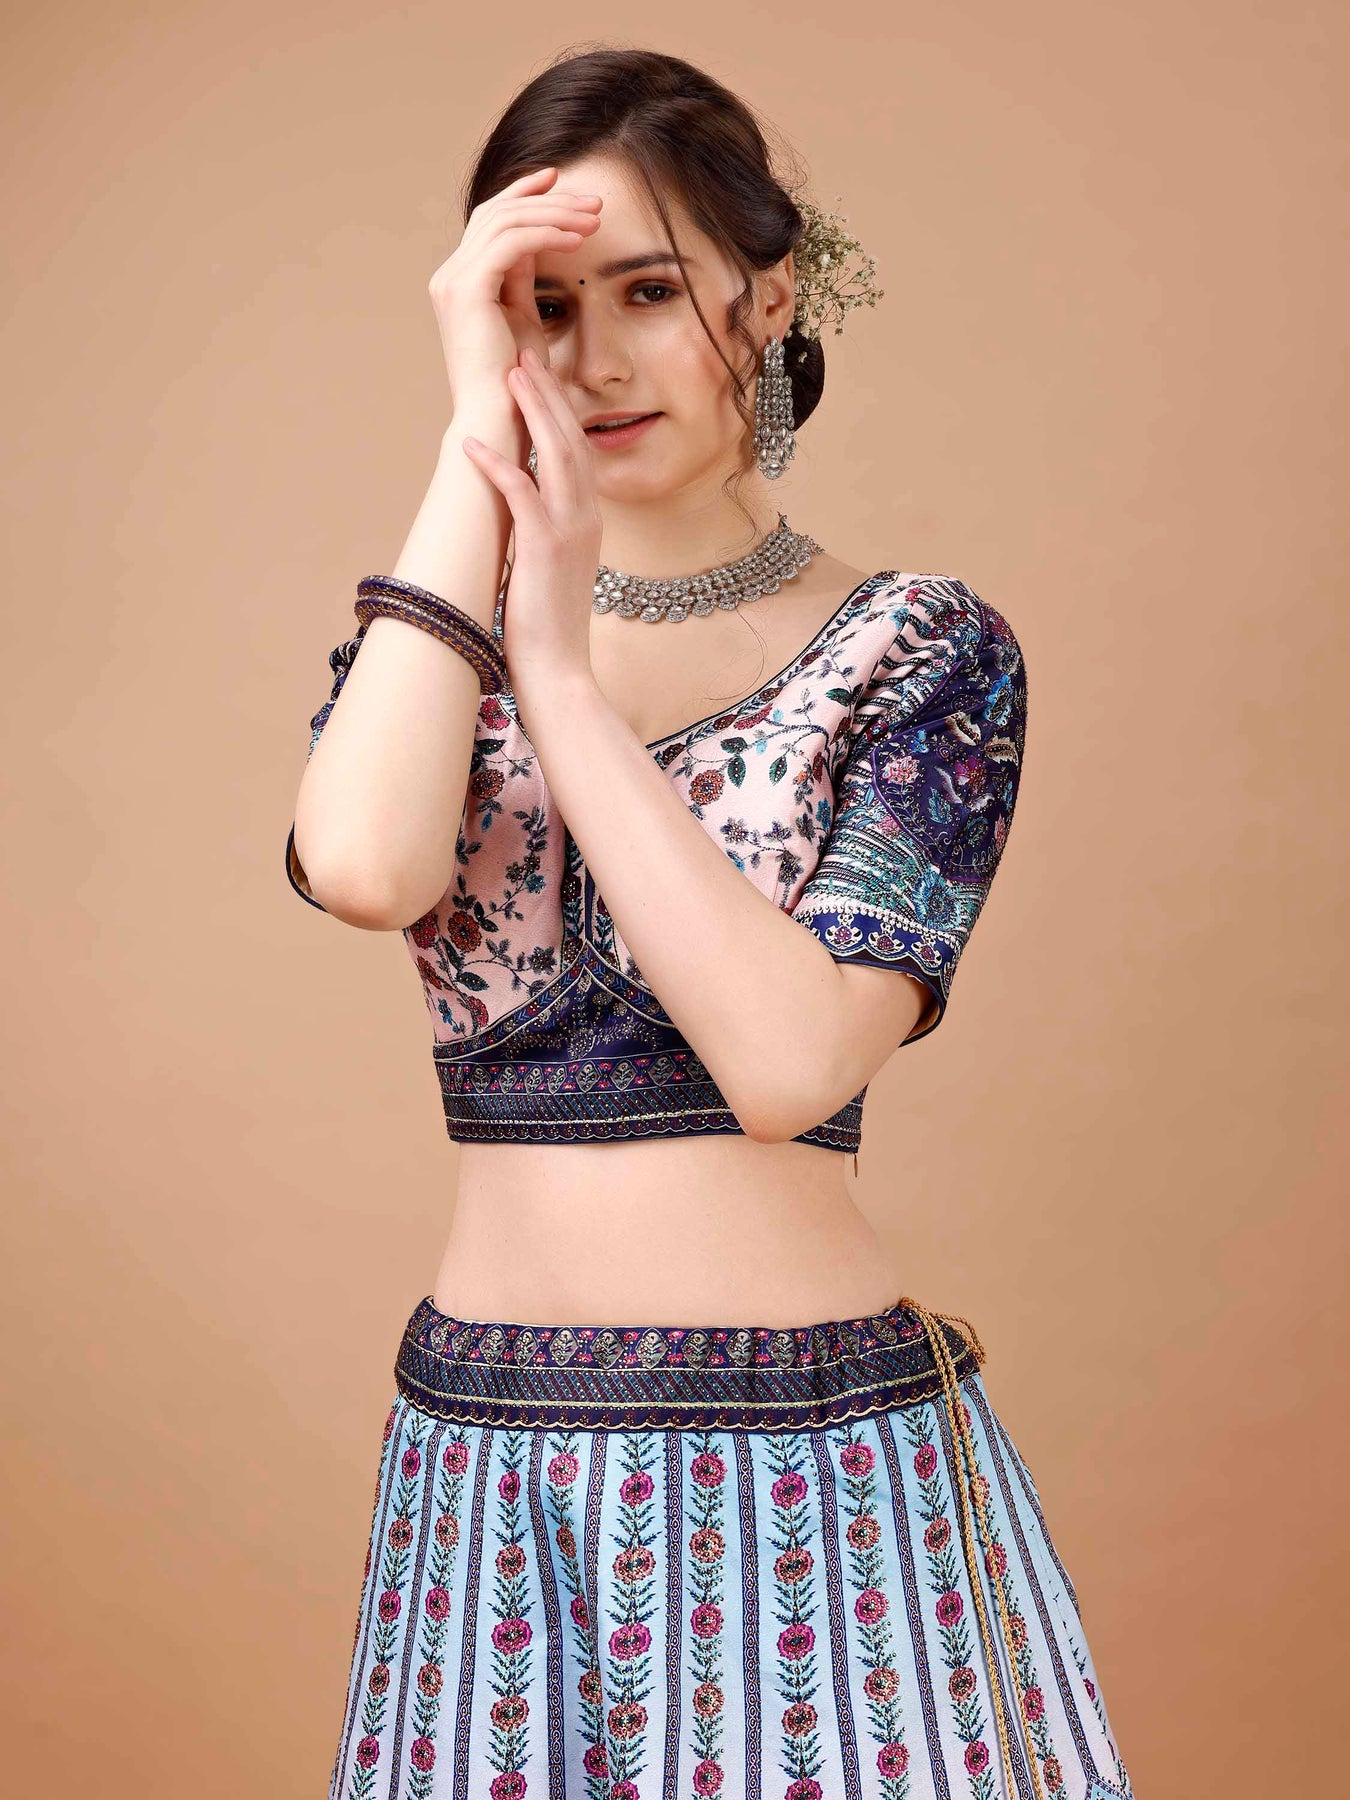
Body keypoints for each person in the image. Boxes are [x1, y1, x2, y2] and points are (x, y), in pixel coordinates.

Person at [283, 45, 1133, 1800]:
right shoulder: (426, 655)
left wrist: (559, 671)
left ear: (771, 293)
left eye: (648, 292)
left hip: (811, 1483)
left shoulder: (917, 650)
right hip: (490, 1484)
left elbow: (786, 1064)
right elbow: (362, 867)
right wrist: (472, 445)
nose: (592, 361)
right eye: (541, 310)